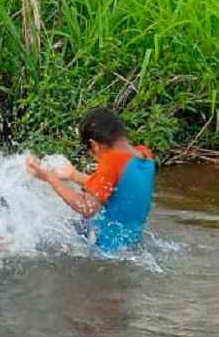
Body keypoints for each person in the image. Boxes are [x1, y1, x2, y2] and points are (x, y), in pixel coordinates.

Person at [26, 107, 155, 252]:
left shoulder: (111, 160)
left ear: (94, 145)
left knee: (45, 235)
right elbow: (117, 189)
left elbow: (86, 208)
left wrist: (50, 178)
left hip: (105, 248)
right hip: (131, 243)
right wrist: (73, 175)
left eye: (91, 153)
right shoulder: (145, 156)